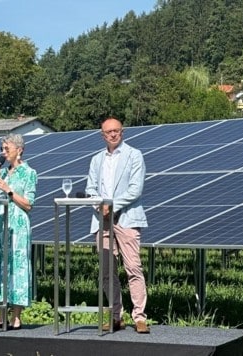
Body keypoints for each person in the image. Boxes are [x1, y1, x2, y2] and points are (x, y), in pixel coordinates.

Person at [85, 117, 150, 334]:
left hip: (127, 218)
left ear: (122, 132)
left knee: (133, 267)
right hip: (102, 220)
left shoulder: (134, 155)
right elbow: (90, 188)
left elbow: (135, 189)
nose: (113, 134)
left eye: (117, 131)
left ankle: (139, 317)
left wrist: (111, 206)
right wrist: (99, 206)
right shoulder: (96, 160)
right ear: (102, 134)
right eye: (108, 132)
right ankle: (115, 316)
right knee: (106, 270)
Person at [0, 133, 37, 330]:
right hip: (1, 222)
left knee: (17, 267)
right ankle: (0, 313)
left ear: (19, 150)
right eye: (2, 149)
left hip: (18, 225)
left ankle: (16, 315)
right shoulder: (3, 172)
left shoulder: (29, 172)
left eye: (7, 149)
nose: (3, 153)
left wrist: (8, 190)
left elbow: (28, 203)